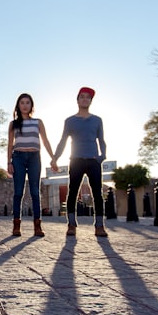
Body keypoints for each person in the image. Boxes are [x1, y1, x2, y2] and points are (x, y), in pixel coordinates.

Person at [50, 86, 108, 237]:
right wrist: (55, 158)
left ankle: (99, 226)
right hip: (76, 160)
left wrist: (103, 156)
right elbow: (62, 141)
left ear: (91, 101)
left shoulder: (97, 120)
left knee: (97, 193)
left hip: (93, 161)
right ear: (77, 100)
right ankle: (71, 224)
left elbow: (101, 140)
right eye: (82, 96)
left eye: (88, 97)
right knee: (73, 192)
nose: (85, 99)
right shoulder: (70, 121)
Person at [7, 93, 55, 237]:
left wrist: (53, 158)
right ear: (18, 105)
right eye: (22, 102)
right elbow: (10, 144)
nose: (25, 105)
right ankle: (16, 225)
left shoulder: (38, 122)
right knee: (18, 192)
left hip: (35, 157)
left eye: (28, 102)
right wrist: (9, 162)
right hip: (18, 157)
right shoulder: (13, 124)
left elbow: (45, 141)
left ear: (31, 105)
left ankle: (37, 226)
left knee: (35, 192)